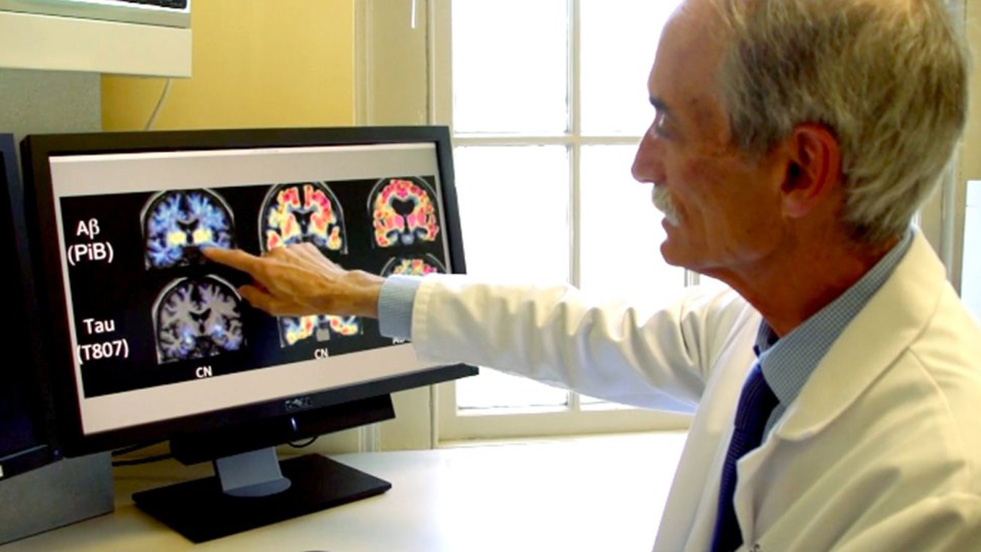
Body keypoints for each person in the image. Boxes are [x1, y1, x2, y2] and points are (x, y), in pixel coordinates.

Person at [205, 0, 981, 549]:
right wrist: (357, 292)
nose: (641, 162)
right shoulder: (775, 324)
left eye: (670, 122)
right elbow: (578, 333)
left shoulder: (938, 496)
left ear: (797, 172)